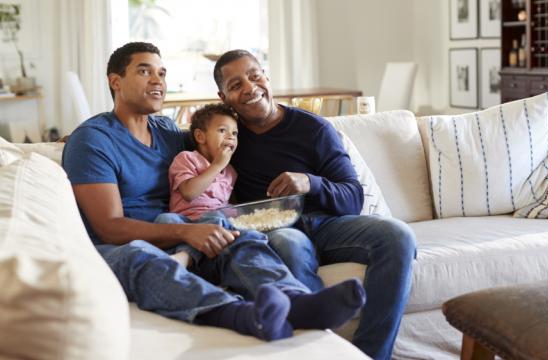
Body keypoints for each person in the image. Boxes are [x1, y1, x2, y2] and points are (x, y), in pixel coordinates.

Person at [61, 42, 367, 343]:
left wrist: (194, 231)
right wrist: (185, 234)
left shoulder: (167, 132)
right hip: (125, 246)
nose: (158, 81)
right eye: (145, 71)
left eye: (162, 73)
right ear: (115, 81)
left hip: (181, 235)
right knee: (139, 256)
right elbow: (109, 228)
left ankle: (296, 301)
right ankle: (242, 315)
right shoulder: (93, 141)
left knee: (239, 235)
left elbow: (211, 137)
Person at [213, 49, 417, 359]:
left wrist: (311, 182)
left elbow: (353, 197)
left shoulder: (312, 128)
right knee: (289, 244)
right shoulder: (226, 137)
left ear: (267, 77)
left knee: (398, 236)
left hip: (329, 225)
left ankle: (372, 354)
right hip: (276, 230)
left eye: (255, 76)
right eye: (236, 84)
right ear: (224, 97)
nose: (250, 88)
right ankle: (323, 351)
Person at [166, 103, 239, 268]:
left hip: (213, 222)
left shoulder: (231, 172)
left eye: (235, 133)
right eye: (222, 130)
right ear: (200, 137)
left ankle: (185, 258)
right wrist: (217, 166)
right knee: (164, 219)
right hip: (183, 223)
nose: (231, 137)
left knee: (218, 218)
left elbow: (228, 204)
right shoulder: (187, 158)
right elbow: (189, 193)